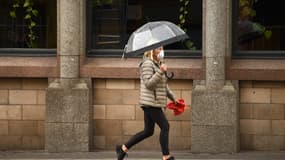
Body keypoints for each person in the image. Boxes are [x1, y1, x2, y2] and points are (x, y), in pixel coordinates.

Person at [116, 46, 177, 160]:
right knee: (165, 126)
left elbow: (163, 85)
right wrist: (161, 71)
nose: (161, 51)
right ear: (151, 50)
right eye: (158, 48)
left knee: (148, 131)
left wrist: (174, 99)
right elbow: (149, 84)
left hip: (153, 102)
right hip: (151, 102)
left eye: (162, 48)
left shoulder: (158, 63)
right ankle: (166, 157)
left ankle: (122, 149)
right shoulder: (147, 64)